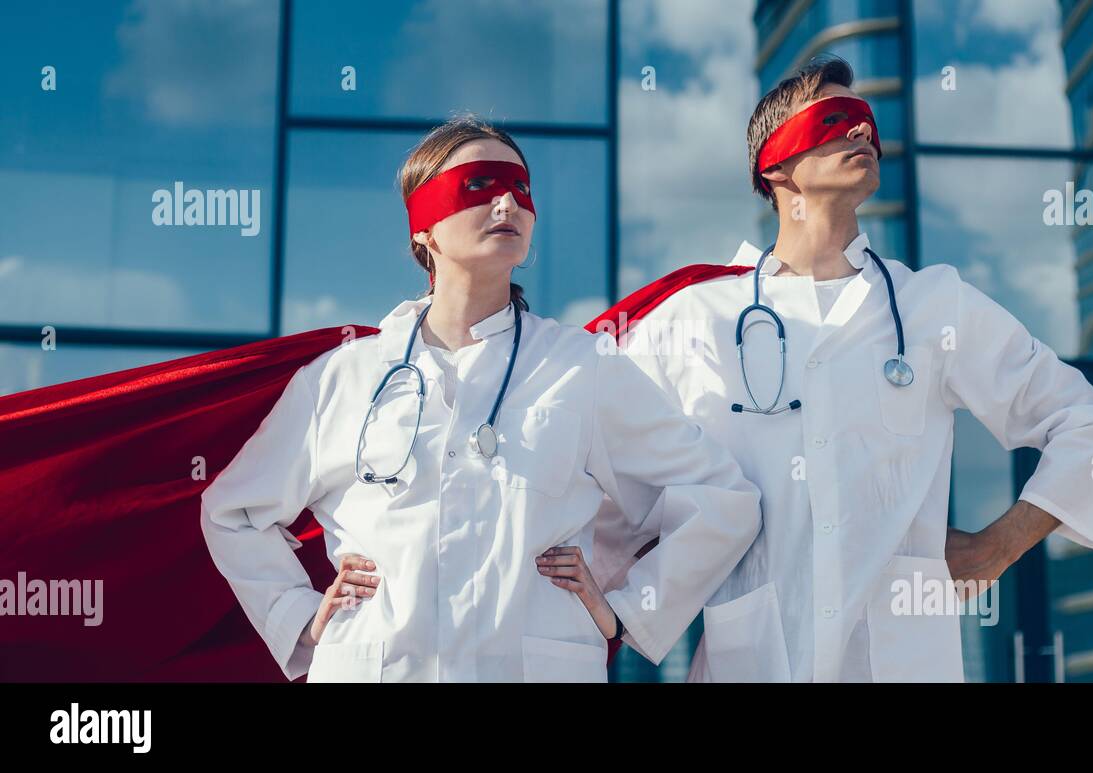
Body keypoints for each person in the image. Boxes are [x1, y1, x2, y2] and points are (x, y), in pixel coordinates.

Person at [597, 55, 1093, 682]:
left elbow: (1092, 424)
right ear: (773, 166)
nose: (860, 133)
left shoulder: (933, 307)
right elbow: (591, 460)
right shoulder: (696, 318)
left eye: (866, 122)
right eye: (835, 118)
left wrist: (997, 547)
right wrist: (614, 609)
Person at [199, 116, 761, 682]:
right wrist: (301, 620)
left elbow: (721, 495)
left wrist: (626, 609)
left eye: (520, 190)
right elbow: (235, 514)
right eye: (479, 185)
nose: (507, 204)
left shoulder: (581, 369)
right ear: (424, 229)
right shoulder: (343, 377)